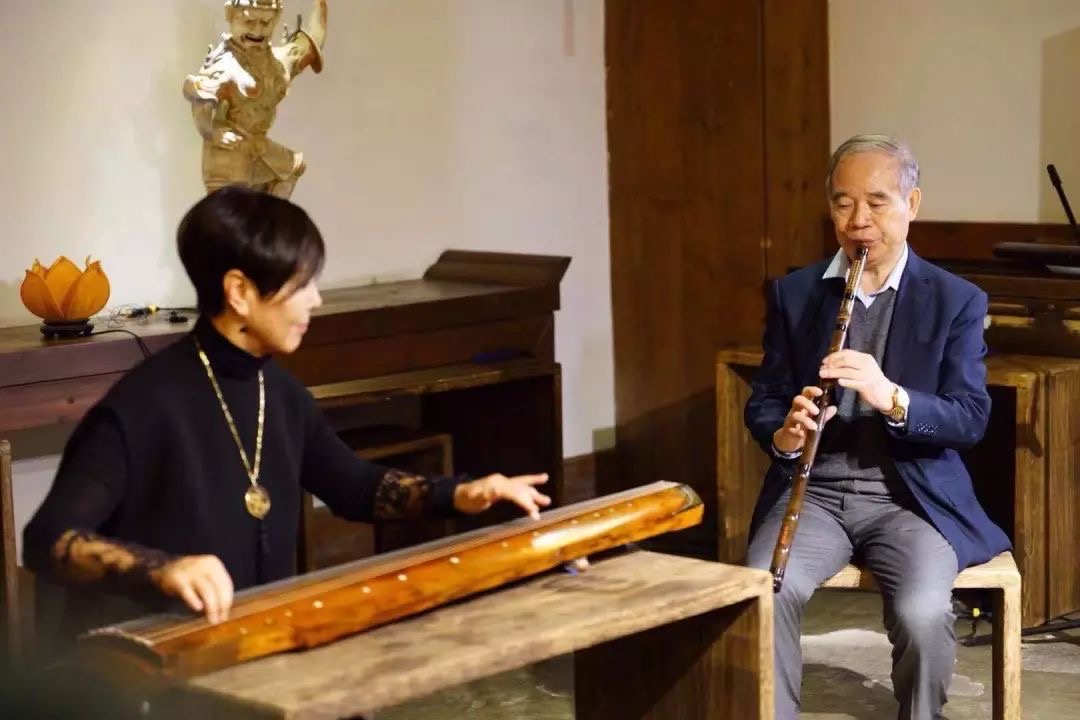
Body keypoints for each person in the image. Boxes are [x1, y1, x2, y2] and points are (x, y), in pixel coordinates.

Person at [23, 186, 551, 651]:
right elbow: (48, 540)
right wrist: (163, 569)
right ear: (240, 292)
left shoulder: (279, 392)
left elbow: (353, 486)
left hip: (254, 648)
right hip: (154, 672)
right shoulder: (143, 404)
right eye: (302, 285)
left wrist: (462, 493)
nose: (316, 300)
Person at [743, 134, 1010, 719]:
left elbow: (970, 418)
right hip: (816, 492)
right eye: (843, 204)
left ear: (912, 204)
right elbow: (764, 401)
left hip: (910, 500)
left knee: (922, 613)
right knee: (764, 589)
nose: (858, 220)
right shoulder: (795, 293)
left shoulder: (956, 299)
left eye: (877, 202)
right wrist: (785, 433)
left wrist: (891, 397)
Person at [183, 0, 328, 198]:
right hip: (229, 154)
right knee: (233, 211)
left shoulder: (278, 61)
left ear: (276, 19)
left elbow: (311, 43)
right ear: (230, 14)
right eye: (249, 22)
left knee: (292, 168)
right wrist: (212, 133)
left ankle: (271, 216)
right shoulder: (224, 66)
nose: (257, 30)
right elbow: (201, 104)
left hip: (258, 147)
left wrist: (321, 5)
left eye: (265, 22)